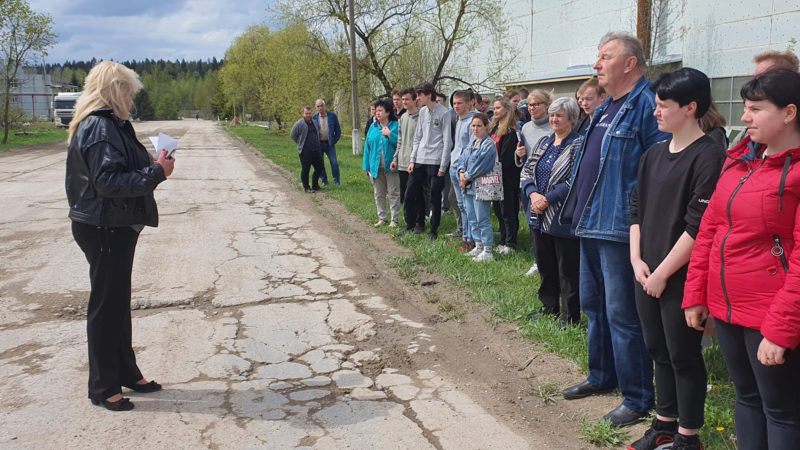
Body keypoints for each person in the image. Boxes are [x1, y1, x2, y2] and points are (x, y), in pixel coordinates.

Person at [684, 68, 800, 449]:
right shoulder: (739, 162)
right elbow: (710, 232)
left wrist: (780, 330)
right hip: (727, 307)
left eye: (755, 109)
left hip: (770, 312)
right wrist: (696, 294)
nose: (744, 117)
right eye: (745, 108)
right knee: (746, 397)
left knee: (781, 410)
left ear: (789, 113)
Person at [559, 31, 669, 427]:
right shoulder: (606, 107)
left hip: (622, 230)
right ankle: (601, 376)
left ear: (630, 63)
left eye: (605, 56)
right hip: (590, 225)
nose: (596, 64)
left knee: (624, 316)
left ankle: (637, 397)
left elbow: (661, 170)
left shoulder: (647, 105)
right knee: (593, 308)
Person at [65, 61, 175, 412]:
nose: (131, 98)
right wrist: (157, 172)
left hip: (112, 224)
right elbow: (108, 183)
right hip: (103, 227)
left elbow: (121, 171)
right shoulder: (100, 127)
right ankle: (103, 387)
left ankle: (126, 372)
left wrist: (154, 164)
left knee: (116, 305)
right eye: (128, 92)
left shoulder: (111, 125)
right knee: (106, 307)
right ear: (115, 91)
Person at [627, 68, 724, 450]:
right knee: (657, 351)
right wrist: (637, 262)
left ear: (690, 108)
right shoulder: (653, 154)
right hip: (646, 271)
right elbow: (635, 209)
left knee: (683, 355)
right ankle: (664, 423)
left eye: (663, 106)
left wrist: (664, 273)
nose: (656, 113)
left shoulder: (710, 156)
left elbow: (698, 225)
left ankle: (688, 437)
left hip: (680, 276)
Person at [520, 97, 583, 325]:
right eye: (553, 115)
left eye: (560, 116)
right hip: (537, 215)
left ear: (573, 119)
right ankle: (549, 308)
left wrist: (547, 198)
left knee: (566, 270)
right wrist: (534, 195)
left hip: (561, 217)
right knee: (545, 265)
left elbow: (574, 180)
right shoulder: (544, 142)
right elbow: (527, 171)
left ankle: (570, 316)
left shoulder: (578, 144)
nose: (554, 119)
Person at [401, 82, 452, 240]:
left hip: (436, 161)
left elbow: (447, 141)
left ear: (429, 95)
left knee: (435, 197)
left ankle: (434, 230)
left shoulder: (444, 113)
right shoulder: (422, 112)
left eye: (420, 95)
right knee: (410, 194)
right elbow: (418, 137)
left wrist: (443, 167)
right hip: (420, 160)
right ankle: (413, 225)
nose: (418, 99)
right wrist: (412, 160)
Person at [517, 89, 554, 277]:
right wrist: (519, 155)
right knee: (533, 226)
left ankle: (551, 263)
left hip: (550, 183)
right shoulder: (525, 128)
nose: (532, 108)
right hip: (530, 182)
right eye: (529, 105)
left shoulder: (554, 125)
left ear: (547, 105)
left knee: (549, 226)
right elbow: (523, 159)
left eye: (536, 104)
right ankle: (538, 261)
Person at [457, 113, 498, 262]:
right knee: (472, 218)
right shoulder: (472, 142)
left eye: (479, 126)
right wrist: (461, 172)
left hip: (481, 187)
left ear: (486, 127)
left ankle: (488, 251)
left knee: (482, 218)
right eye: (473, 126)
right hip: (468, 188)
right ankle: (478, 245)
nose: (475, 129)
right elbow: (462, 158)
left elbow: (480, 166)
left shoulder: (488, 145)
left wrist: (466, 177)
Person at [490, 96, 521, 254]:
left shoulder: (511, 132)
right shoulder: (494, 129)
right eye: (494, 108)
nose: (494, 111)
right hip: (493, 178)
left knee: (508, 211)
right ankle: (503, 239)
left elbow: (506, 158)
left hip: (507, 178)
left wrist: (495, 171)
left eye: (498, 108)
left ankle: (511, 243)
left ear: (507, 110)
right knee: (499, 211)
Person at [363, 98, 401, 227]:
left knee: (393, 193)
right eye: (376, 111)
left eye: (380, 110)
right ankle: (382, 218)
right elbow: (367, 148)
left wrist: (390, 135)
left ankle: (394, 219)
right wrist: (366, 166)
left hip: (392, 166)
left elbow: (400, 144)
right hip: (375, 167)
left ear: (388, 112)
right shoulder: (373, 128)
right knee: (379, 194)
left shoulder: (396, 126)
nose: (377, 113)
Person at [446, 90, 477, 246]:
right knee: (460, 204)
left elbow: (471, 149)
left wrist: (464, 171)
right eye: (454, 103)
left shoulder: (473, 121)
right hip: (454, 165)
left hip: (463, 169)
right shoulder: (458, 120)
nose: (456, 106)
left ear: (468, 103)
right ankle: (465, 235)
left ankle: (471, 239)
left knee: (467, 206)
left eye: (460, 103)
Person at [392, 88, 420, 209]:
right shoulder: (402, 117)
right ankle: (409, 223)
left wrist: (414, 160)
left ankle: (420, 220)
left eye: (407, 99)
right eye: (402, 99)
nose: (404, 102)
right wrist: (395, 158)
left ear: (415, 100)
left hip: (415, 162)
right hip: (402, 162)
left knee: (414, 194)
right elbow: (400, 140)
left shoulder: (421, 117)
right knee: (404, 194)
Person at [290, 106, 324, 193]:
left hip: (315, 150)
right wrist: (300, 143)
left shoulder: (314, 122)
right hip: (305, 151)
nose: (308, 115)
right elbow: (293, 135)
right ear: (303, 114)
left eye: (309, 113)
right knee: (306, 169)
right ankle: (307, 187)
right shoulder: (299, 124)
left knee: (319, 167)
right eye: (306, 113)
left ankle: (315, 185)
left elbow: (317, 134)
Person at [313, 99, 342, 186]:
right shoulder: (314, 118)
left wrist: (334, 140)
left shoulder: (332, 116)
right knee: (320, 163)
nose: (320, 108)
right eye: (318, 106)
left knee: (334, 162)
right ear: (316, 108)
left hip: (329, 144)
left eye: (321, 105)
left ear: (324, 106)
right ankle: (324, 180)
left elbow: (338, 130)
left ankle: (336, 181)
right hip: (319, 144)